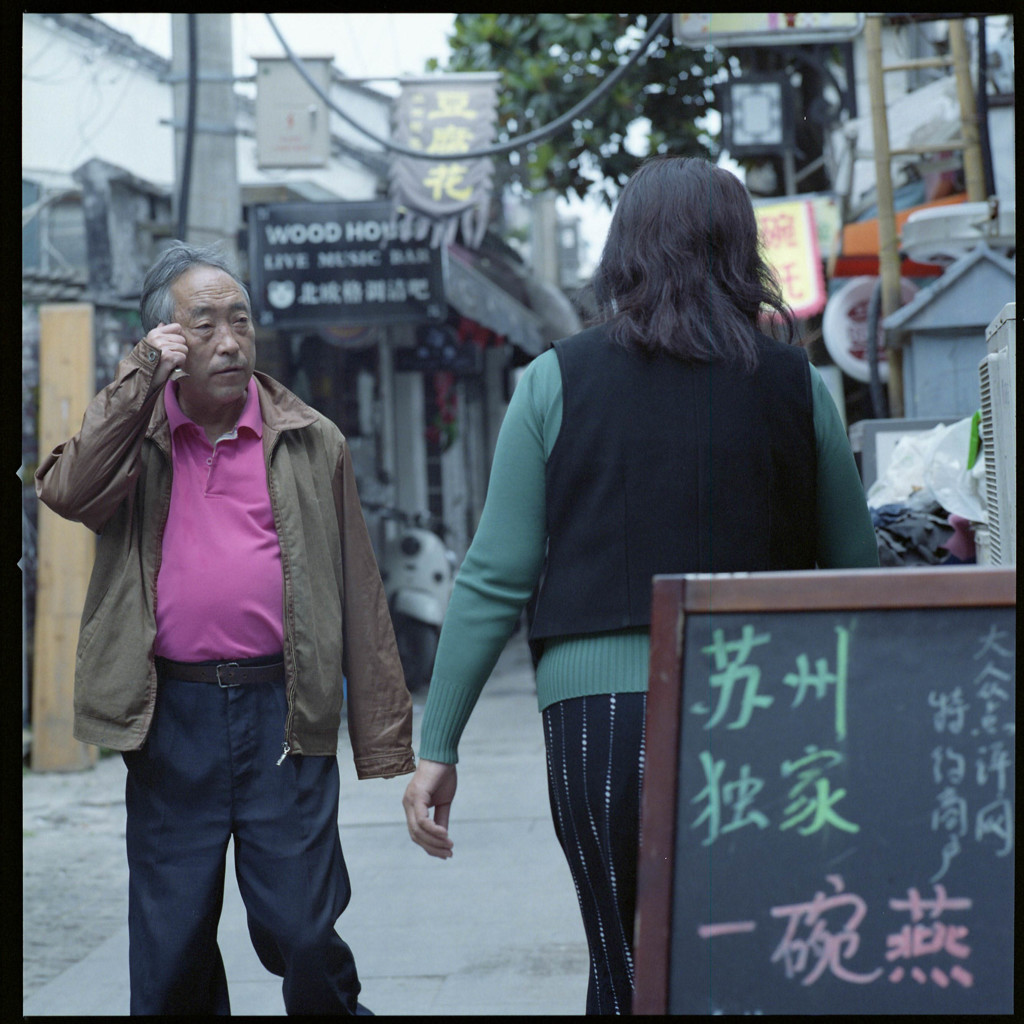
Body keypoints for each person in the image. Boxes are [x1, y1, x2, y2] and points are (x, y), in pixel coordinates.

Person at [402, 156, 880, 1015]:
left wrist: (439, 742)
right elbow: (854, 576)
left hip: (600, 717)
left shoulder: (554, 380)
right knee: (758, 957)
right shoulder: (797, 388)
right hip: (765, 705)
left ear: (624, 253)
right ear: (741, 254)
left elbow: (493, 576)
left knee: (625, 963)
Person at [36, 241, 414, 1016]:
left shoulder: (312, 440)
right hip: (171, 719)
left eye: (239, 321)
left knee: (305, 937)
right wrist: (140, 375)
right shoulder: (133, 441)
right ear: (166, 343)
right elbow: (69, 491)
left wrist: (383, 737)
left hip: (283, 712)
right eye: (202, 326)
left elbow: (359, 591)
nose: (231, 341)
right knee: (171, 948)